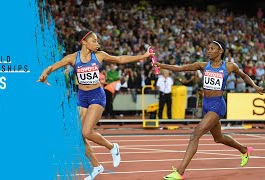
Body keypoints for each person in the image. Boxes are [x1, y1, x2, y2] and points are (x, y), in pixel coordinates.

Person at [37, 30, 154, 180]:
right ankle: (97, 166)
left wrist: (144, 56)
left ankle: (112, 147)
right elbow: (54, 66)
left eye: (98, 41)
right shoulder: (73, 58)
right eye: (94, 41)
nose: (97, 44)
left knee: (86, 132)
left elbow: (120, 59)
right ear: (84, 42)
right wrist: (44, 74)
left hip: (97, 96)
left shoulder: (99, 56)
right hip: (82, 97)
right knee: (78, 135)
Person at [153, 40, 264, 180]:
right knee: (218, 138)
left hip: (217, 105)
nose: (208, 51)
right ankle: (244, 149)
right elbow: (180, 68)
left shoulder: (229, 66)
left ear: (220, 51)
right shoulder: (203, 65)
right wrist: (161, 65)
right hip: (206, 104)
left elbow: (244, 76)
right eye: (208, 49)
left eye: (212, 49)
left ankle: (180, 172)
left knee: (195, 135)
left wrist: (255, 86)